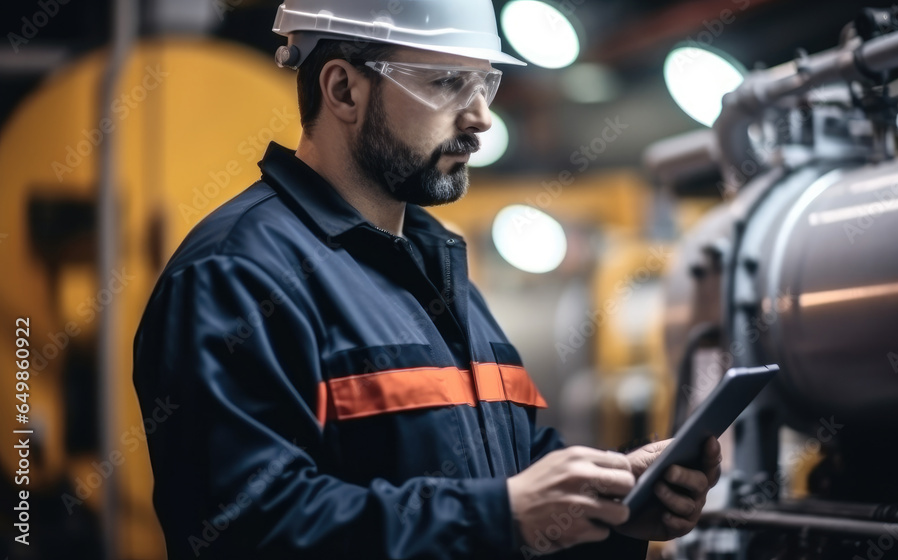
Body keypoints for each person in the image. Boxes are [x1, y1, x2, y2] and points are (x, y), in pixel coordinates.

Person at [132, 1, 722, 558]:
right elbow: (247, 529)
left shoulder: (436, 268)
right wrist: (500, 516)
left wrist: (616, 503)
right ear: (343, 89)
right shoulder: (237, 275)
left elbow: (512, 470)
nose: (482, 117)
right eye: (446, 84)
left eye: (484, 83)